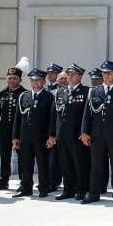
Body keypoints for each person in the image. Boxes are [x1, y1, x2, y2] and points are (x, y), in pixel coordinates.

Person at [80, 61, 113, 204]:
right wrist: (84, 132)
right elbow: (87, 113)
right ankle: (94, 194)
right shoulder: (94, 91)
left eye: (109, 73)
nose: (106, 76)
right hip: (97, 135)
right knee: (96, 166)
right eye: (104, 73)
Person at [49, 64, 90, 201]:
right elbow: (54, 115)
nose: (70, 77)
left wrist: (85, 131)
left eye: (73, 74)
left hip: (77, 135)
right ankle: (68, 189)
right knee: (65, 165)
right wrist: (52, 134)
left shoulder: (86, 92)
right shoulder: (60, 92)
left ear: (80, 76)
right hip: (62, 135)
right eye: (69, 74)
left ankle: (81, 189)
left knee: (80, 164)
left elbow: (88, 115)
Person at [12, 69, 54, 198]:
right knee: (25, 164)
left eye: (38, 80)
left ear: (43, 81)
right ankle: (26, 188)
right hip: (25, 136)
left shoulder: (49, 96)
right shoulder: (24, 96)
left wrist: (51, 136)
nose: (35, 83)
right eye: (33, 80)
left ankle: (43, 188)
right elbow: (18, 117)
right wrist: (15, 137)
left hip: (41, 137)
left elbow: (51, 119)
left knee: (42, 164)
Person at [0, 66, 26, 191]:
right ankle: (3, 181)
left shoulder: (24, 94)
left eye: (15, 78)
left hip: (19, 130)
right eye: (9, 78)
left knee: (22, 156)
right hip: (5, 129)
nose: (11, 80)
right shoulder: (1, 93)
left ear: (20, 80)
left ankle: (24, 181)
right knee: (4, 156)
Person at [44, 63, 64, 192]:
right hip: (44, 128)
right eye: (49, 73)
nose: (50, 75)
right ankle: (46, 180)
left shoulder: (61, 89)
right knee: (45, 157)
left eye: (53, 73)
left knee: (55, 158)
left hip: (56, 128)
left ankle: (54, 181)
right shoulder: (44, 88)